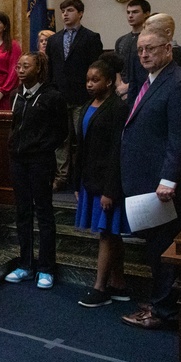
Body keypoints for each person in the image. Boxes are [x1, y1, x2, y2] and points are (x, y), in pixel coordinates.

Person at [120, 21, 181, 330]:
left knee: (167, 251)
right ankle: (160, 302)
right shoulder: (150, 80)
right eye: (140, 50)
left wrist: (168, 179)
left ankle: (165, 313)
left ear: (168, 49)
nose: (143, 54)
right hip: (147, 185)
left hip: (167, 188)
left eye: (150, 49)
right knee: (156, 250)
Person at [72, 55, 131, 307]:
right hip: (90, 179)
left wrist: (110, 189)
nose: (89, 84)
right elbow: (81, 148)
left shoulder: (117, 108)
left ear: (108, 81)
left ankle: (100, 288)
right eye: (87, 80)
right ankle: (118, 283)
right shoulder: (87, 106)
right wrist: (77, 182)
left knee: (107, 233)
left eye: (95, 80)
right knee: (111, 234)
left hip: (108, 183)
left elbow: (117, 151)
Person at [5, 52, 68, 290]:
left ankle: (46, 267)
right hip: (18, 160)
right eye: (18, 66)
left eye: (25, 66)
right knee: (22, 211)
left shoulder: (52, 97)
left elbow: (61, 131)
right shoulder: (16, 95)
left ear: (39, 69)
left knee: (43, 212)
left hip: (40, 161)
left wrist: (42, 146)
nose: (20, 70)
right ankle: (25, 264)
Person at [45, 0, 103, 191]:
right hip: (59, 96)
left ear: (80, 13)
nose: (65, 14)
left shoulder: (91, 37)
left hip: (82, 96)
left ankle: (82, 176)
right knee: (61, 139)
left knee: (82, 137)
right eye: (63, 11)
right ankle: (62, 176)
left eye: (70, 10)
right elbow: (50, 68)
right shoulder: (54, 39)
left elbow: (96, 68)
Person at [127, 12, 181, 105]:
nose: (144, 55)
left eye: (151, 49)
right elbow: (133, 89)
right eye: (145, 29)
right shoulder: (137, 55)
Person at [114, 0, 151, 100]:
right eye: (128, 12)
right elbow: (116, 66)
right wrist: (120, 85)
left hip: (144, 89)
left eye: (135, 12)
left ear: (146, 14)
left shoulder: (150, 40)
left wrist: (129, 87)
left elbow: (151, 68)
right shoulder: (121, 40)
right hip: (121, 91)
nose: (130, 15)